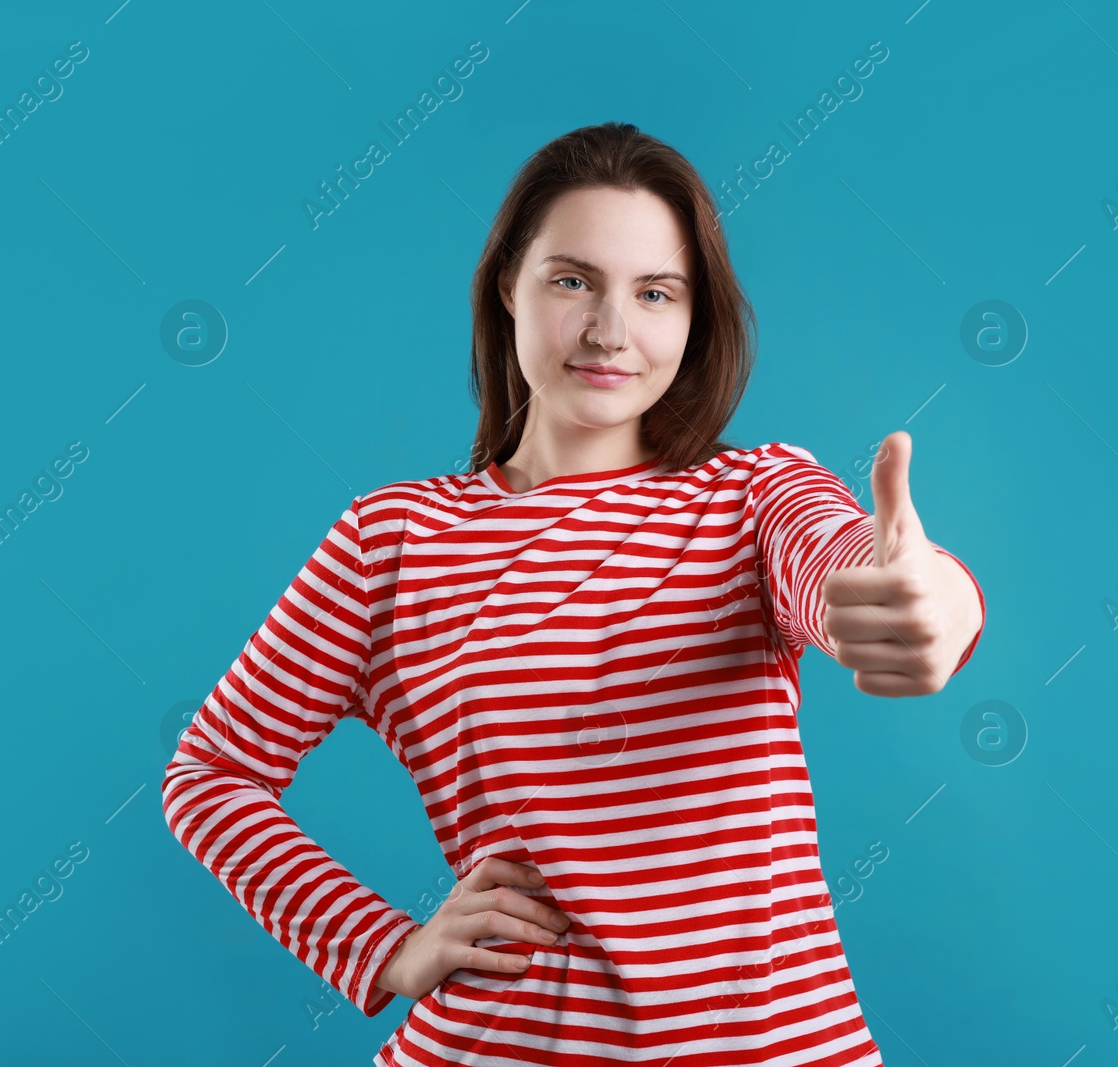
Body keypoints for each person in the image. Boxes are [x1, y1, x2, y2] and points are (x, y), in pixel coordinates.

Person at [161, 121, 985, 1066]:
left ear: (693, 317)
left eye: (655, 292)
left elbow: (849, 565)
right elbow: (211, 773)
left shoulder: (753, 495)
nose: (609, 330)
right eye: (572, 280)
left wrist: (931, 601)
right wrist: (386, 947)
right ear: (507, 284)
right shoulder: (392, 540)